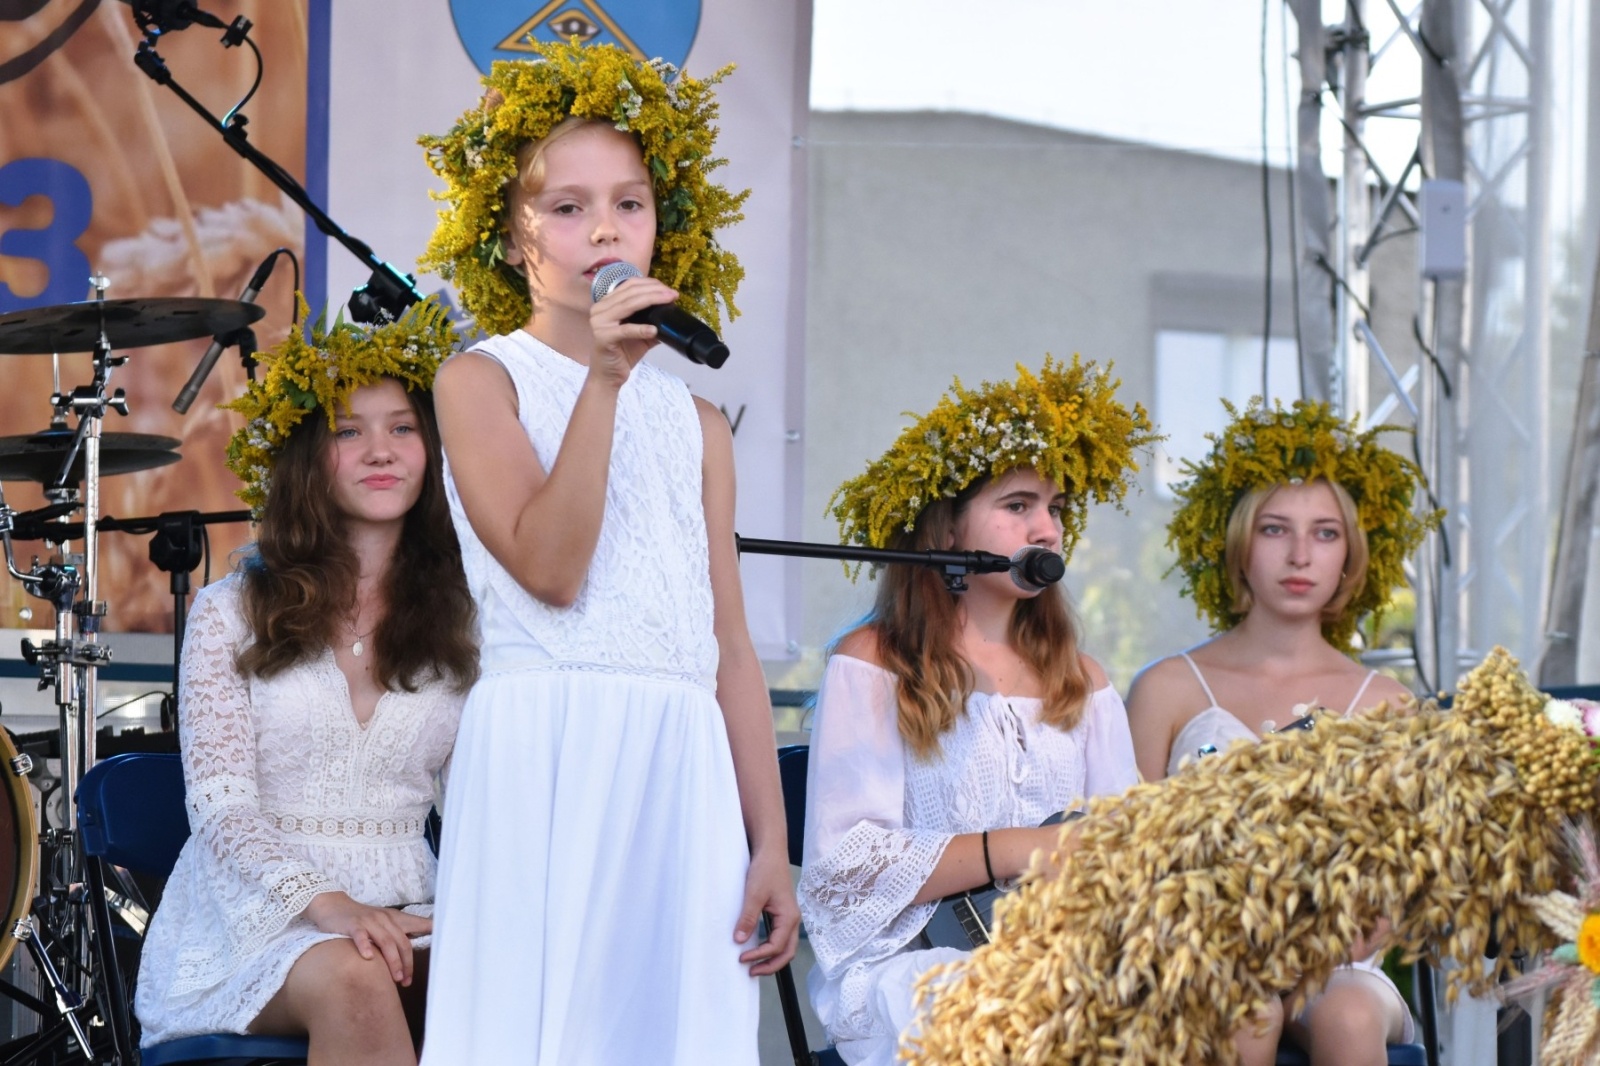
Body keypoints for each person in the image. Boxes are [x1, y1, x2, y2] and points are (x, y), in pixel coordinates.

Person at [413, 41, 797, 1064]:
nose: (604, 231)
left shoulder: (699, 423)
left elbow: (730, 647)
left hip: (680, 761)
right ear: (511, 236)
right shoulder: (478, 381)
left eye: (628, 204)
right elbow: (550, 566)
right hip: (549, 748)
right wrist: (603, 381)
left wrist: (770, 843)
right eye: (568, 207)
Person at [797, 361, 1278, 1065]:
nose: (1047, 528)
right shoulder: (874, 660)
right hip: (911, 970)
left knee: (1224, 991)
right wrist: (1021, 849)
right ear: (950, 529)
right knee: (1050, 1001)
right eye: (1019, 505)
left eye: (1055, 509)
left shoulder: (1082, 682)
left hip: (1064, 955)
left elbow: (1126, 842)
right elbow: (845, 869)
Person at [135, 299, 476, 1066]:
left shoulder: (467, 620)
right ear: (306, 458)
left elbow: (479, 803)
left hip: (412, 908)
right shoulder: (231, 612)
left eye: (403, 428)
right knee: (358, 975)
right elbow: (222, 808)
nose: (380, 450)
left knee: (524, 974)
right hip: (257, 921)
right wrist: (332, 906)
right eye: (349, 431)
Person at [1127, 397, 1438, 1065]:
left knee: (1351, 1014)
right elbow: (1127, 863)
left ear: (1353, 554)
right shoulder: (1166, 688)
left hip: (1343, 963)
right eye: (1275, 529)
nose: (1301, 554)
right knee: (1243, 1002)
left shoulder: (1386, 705)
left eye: (1325, 533)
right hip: (1202, 958)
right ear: (1238, 543)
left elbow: (1395, 891)